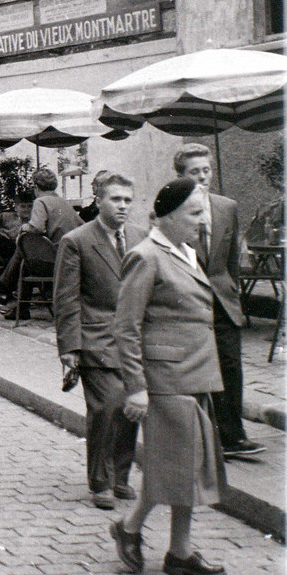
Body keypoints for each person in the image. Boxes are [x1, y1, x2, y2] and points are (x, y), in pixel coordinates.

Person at [110, 178, 227, 575]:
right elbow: (126, 327)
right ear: (168, 216)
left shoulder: (186, 251)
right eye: (194, 213)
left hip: (195, 376)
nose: (202, 220)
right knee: (176, 467)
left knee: (186, 468)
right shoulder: (146, 256)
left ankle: (179, 552)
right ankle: (130, 529)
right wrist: (137, 388)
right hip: (166, 381)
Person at [53, 173, 145, 510]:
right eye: (115, 199)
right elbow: (66, 298)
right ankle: (100, 482)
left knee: (131, 407)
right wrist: (69, 347)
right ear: (99, 201)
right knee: (107, 407)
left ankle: (120, 476)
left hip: (133, 341)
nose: (122, 206)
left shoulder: (139, 236)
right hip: (96, 338)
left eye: (127, 200)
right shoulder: (77, 241)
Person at [174, 143, 264, 458]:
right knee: (195, 370)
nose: (203, 177)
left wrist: (234, 296)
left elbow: (231, 264)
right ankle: (197, 436)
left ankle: (233, 437)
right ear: (182, 176)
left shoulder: (227, 207)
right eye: (195, 172)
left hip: (224, 299)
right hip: (190, 302)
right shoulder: (172, 209)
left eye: (206, 170)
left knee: (230, 365)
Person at [1, 168, 82, 320]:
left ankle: (5, 288)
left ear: (36, 187)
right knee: (26, 258)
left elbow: (36, 227)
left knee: (25, 254)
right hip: (70, 256)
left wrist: (24, 227)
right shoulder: (63, 201)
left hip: (55, 261)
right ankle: (17, 302)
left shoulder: (40, 201)